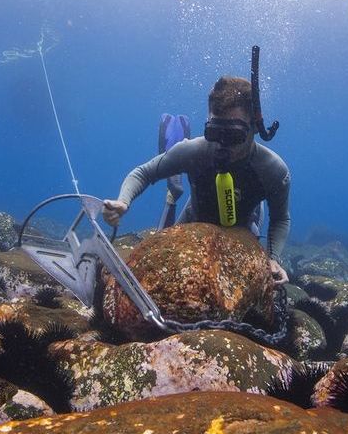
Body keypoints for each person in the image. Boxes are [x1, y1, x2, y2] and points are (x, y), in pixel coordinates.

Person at [103, 76, 290, 285]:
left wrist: (273, 259)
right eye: (214, 133)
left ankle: (174, 190)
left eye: (233, 135)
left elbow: (280, 219)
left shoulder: (272, 170)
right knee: (164, 267)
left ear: (255, 127)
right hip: (196, 215)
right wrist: (123, 201)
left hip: (244, 225)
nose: (221, 144)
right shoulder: (194, 151)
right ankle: (173, 193)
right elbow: (142, 173)